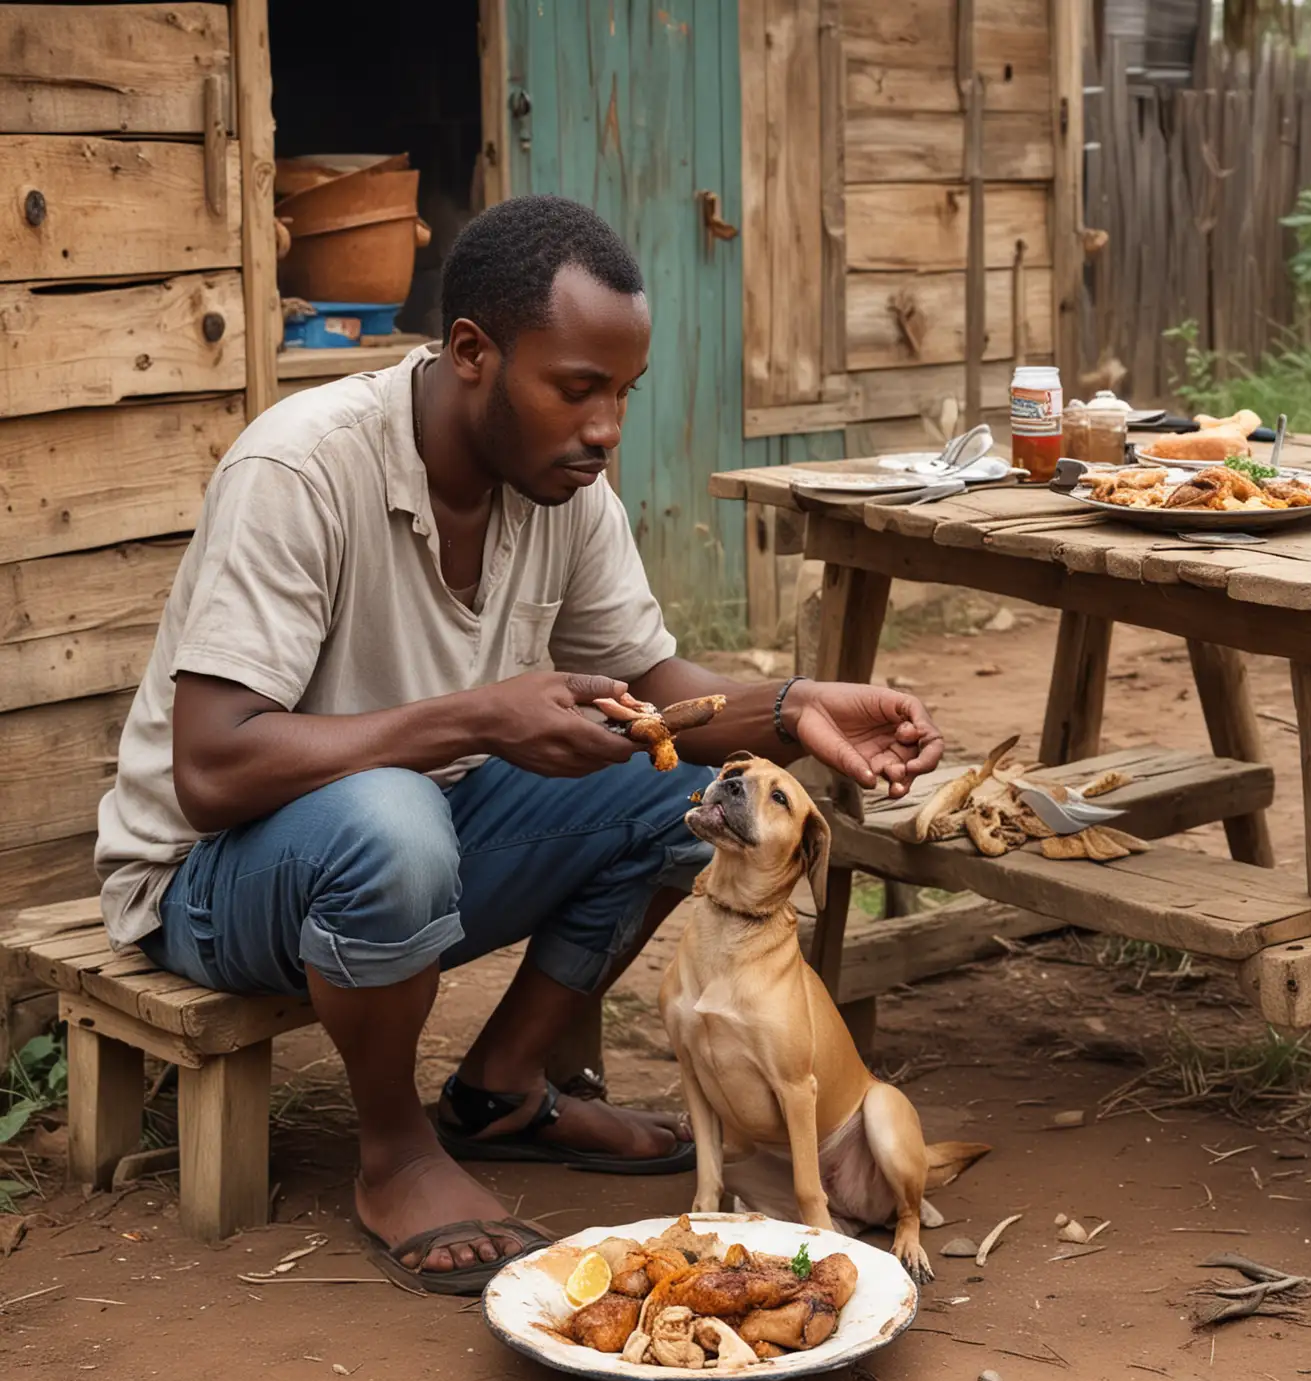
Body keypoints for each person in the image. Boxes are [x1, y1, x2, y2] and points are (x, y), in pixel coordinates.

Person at [95, 195, 944, 1294]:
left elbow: (658, 695)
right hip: (213, 885)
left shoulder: (566, 495)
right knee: (391, 820)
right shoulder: (301, 471)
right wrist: (479, 717)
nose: (606, 430)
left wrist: (789, 709)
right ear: (471, 354)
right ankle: (397, 1153)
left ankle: (502, 1089)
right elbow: (211, 771)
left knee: (676, 790)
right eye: (578, 388)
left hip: (416, 832)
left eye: (623, 395)